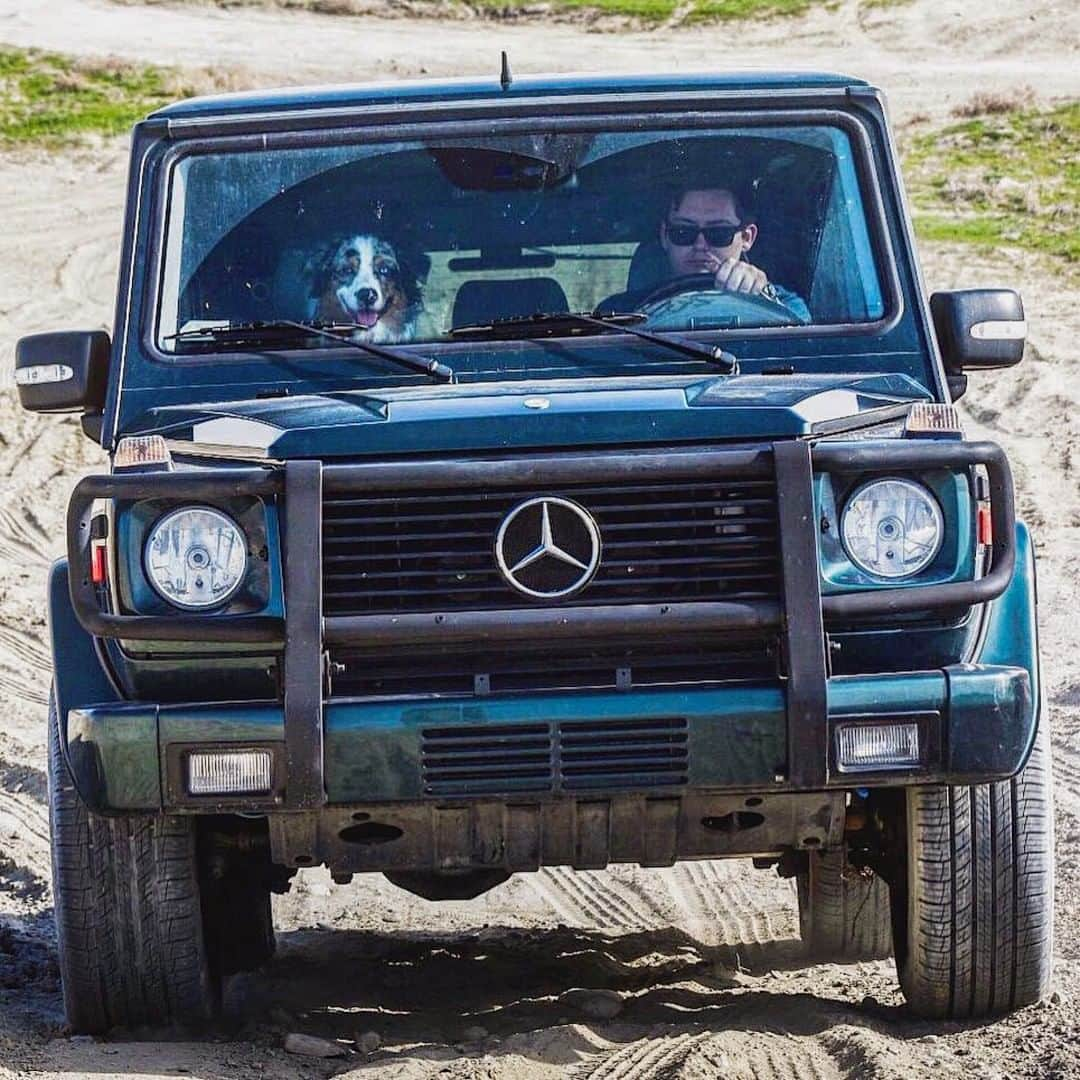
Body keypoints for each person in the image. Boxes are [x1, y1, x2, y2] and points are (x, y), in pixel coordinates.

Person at [600, 186, 811, 324]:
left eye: (718, 233)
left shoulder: (787, 306)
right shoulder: (618, 313)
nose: (700, 245)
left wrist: (764, 296)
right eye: (683, 232)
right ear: (665, 236)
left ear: (747, 237)